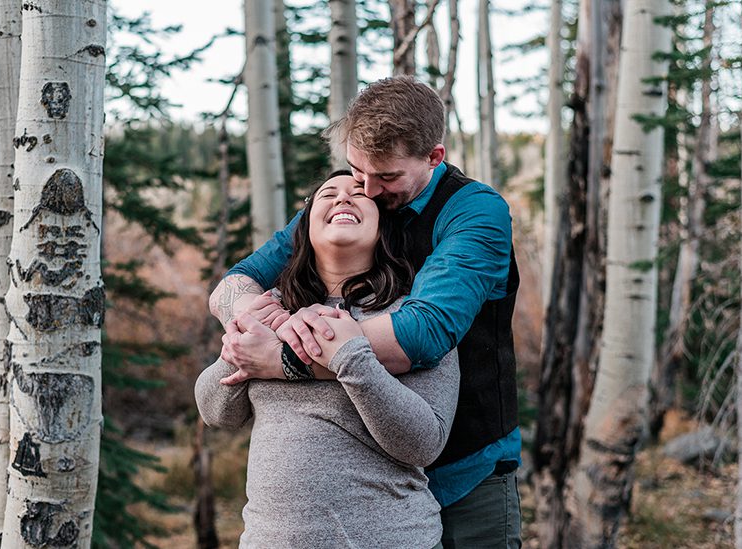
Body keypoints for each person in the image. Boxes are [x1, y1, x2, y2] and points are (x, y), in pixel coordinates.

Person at [211, 75, 522, 548]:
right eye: (358, 171)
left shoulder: (475, 212)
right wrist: (249, 321)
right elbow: (235, 283)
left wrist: (281, 358)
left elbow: (422, 333)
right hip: (368, 482)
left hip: (465, 467)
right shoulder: (349, 196)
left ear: (434, 157)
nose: (369, 191)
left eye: (388, 177)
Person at [196, 172, 459, 547]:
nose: (343, 199)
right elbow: (216, 413)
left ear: (383, 226)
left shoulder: (413, 320)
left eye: (358, 195)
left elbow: (423, 444)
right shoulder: (273, 309)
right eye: (327, 194)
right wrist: (239, 350)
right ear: (303, 229)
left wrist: (351, 356)